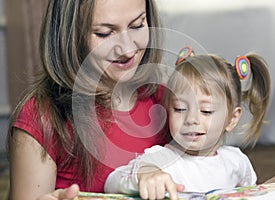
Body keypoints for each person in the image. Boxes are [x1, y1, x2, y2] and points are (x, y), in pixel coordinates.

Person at [6, 0, 170, 199]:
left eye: (137, 25)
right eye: (104, 33)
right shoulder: (43, 118)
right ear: (69, 36)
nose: (127, 50)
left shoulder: (167, 102)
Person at [104, 46, 272, 199]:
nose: (191, 119)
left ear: (232, 119)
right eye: (180, 109)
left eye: (206, 111)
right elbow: (111, 183)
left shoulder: (237, 162)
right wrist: (145, 174)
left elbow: (254, 193)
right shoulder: (161, 159)